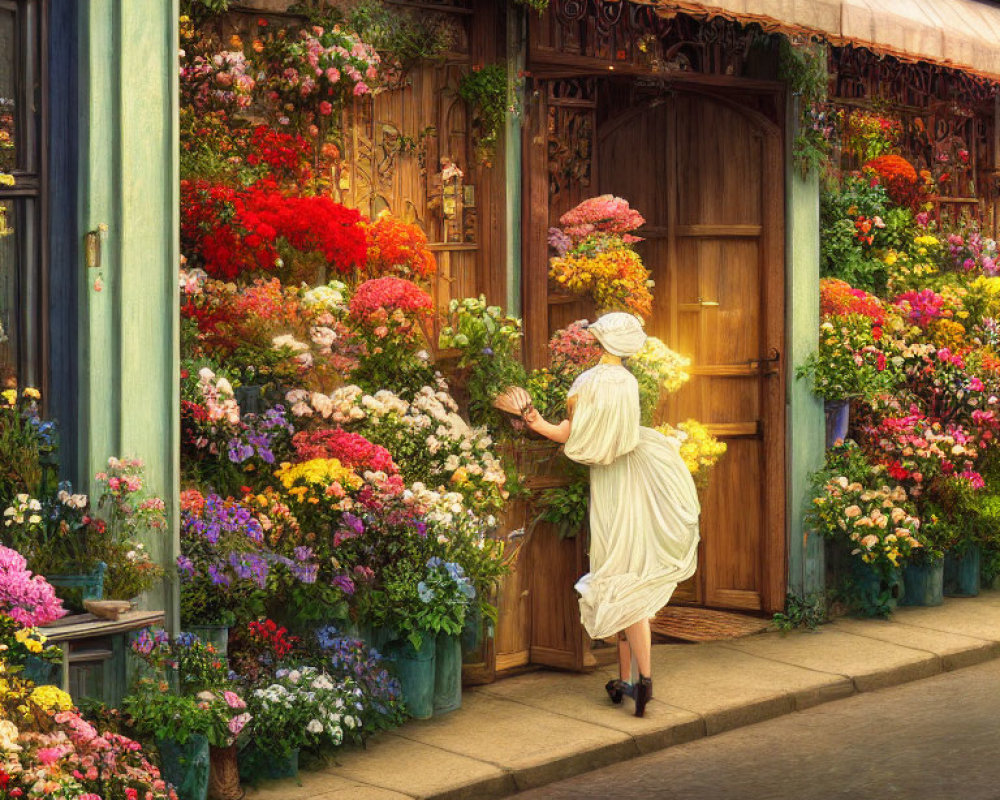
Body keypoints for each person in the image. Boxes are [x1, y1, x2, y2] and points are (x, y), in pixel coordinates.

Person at [513, 312, 700, 717]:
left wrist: (534, 422)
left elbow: (568, 434)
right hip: (635, 474)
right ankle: (635, 679)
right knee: (628, 569)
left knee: (616, 572)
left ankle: (639, 679)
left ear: (600, 344)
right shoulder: (629, 383)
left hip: (611, 484)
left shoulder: (588, 382)